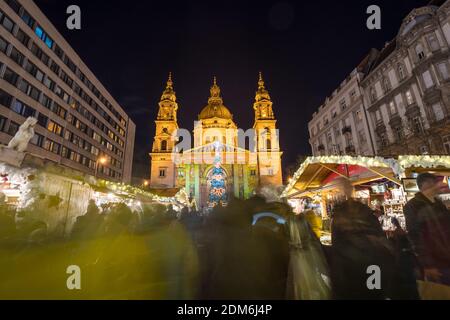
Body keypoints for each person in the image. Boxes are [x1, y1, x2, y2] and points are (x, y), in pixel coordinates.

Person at [330, 178, 397, 299]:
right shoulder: (361, 211)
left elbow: (335, 244)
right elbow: (380, 236)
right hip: (368, 264)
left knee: (368, 293)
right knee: (374, 293)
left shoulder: (340, 215)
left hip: (357, 266)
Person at [404, 173, 450, 286]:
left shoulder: (438, 203)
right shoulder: (413, 206)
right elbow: (415, 237)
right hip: (436, 263)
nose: (438, 186)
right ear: (426, 185)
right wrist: (427, 265)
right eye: (435, 183)